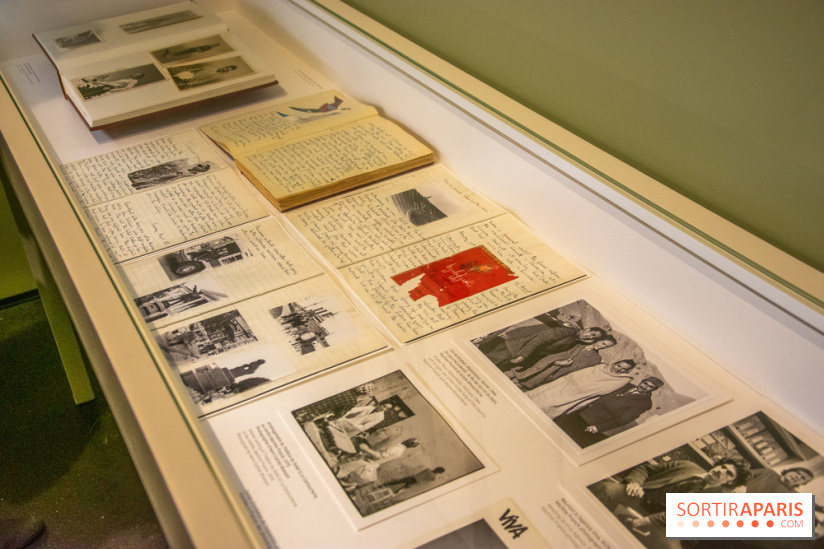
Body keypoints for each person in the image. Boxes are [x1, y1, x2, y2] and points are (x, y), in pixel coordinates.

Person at [591, 457, 752, 530]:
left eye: (729, 473)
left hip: (660, 523)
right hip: (639, 496)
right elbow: (645, 469)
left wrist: (645, 521)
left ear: (731, 482)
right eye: (723, 466)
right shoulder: (686, 465)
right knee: (607, 489)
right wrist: (635, 483)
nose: (721, 471)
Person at [554, 377, 664, 447]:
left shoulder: (645, 403)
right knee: (555, 431)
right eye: (645, 383)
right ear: (642, 381)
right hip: (579, 412)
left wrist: (598, 428)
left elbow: (624, 419)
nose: (644, 387)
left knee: (565, 443)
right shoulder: (627, 385)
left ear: (653, 390)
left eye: (650, 387)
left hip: (590, 423)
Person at [526, 359, 638, 418]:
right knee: (538, 398)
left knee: (547, 407)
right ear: (615, 363)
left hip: (574, 397)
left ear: (627, 371)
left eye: (623, 369)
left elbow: (602, 391)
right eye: (618, 365)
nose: (618, 369)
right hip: (564, 385)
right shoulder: (599, 368)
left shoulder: (620, 380)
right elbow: (577, 375)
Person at [511, 335, 617, 389]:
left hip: (548, 375)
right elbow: (552, 350)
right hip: (537, 365)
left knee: (518, 387)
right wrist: (557, 362)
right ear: (599, 340)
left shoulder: (595, 359)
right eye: (603, 343)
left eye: (606, 347)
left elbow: (576, 372)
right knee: (509, 377)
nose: (603, 347)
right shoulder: (577, 343)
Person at [336, 438, 420, 490]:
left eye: (410, 441)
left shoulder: (398, 449)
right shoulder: (399, 448)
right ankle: (347, 481)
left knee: (349, 467)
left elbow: (380, 457)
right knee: (349, 466)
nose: (407, 440)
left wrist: (367, 449)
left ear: (410, 444)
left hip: (372, 462)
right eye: (410, 439)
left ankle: (346, 481)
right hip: (372, 460)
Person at [746, 465, 814, 493]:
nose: (798, 477)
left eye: (802, 478)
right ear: (790, 470)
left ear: (803, 483)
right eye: (798, 473)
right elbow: (743, 474)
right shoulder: (768, 473)